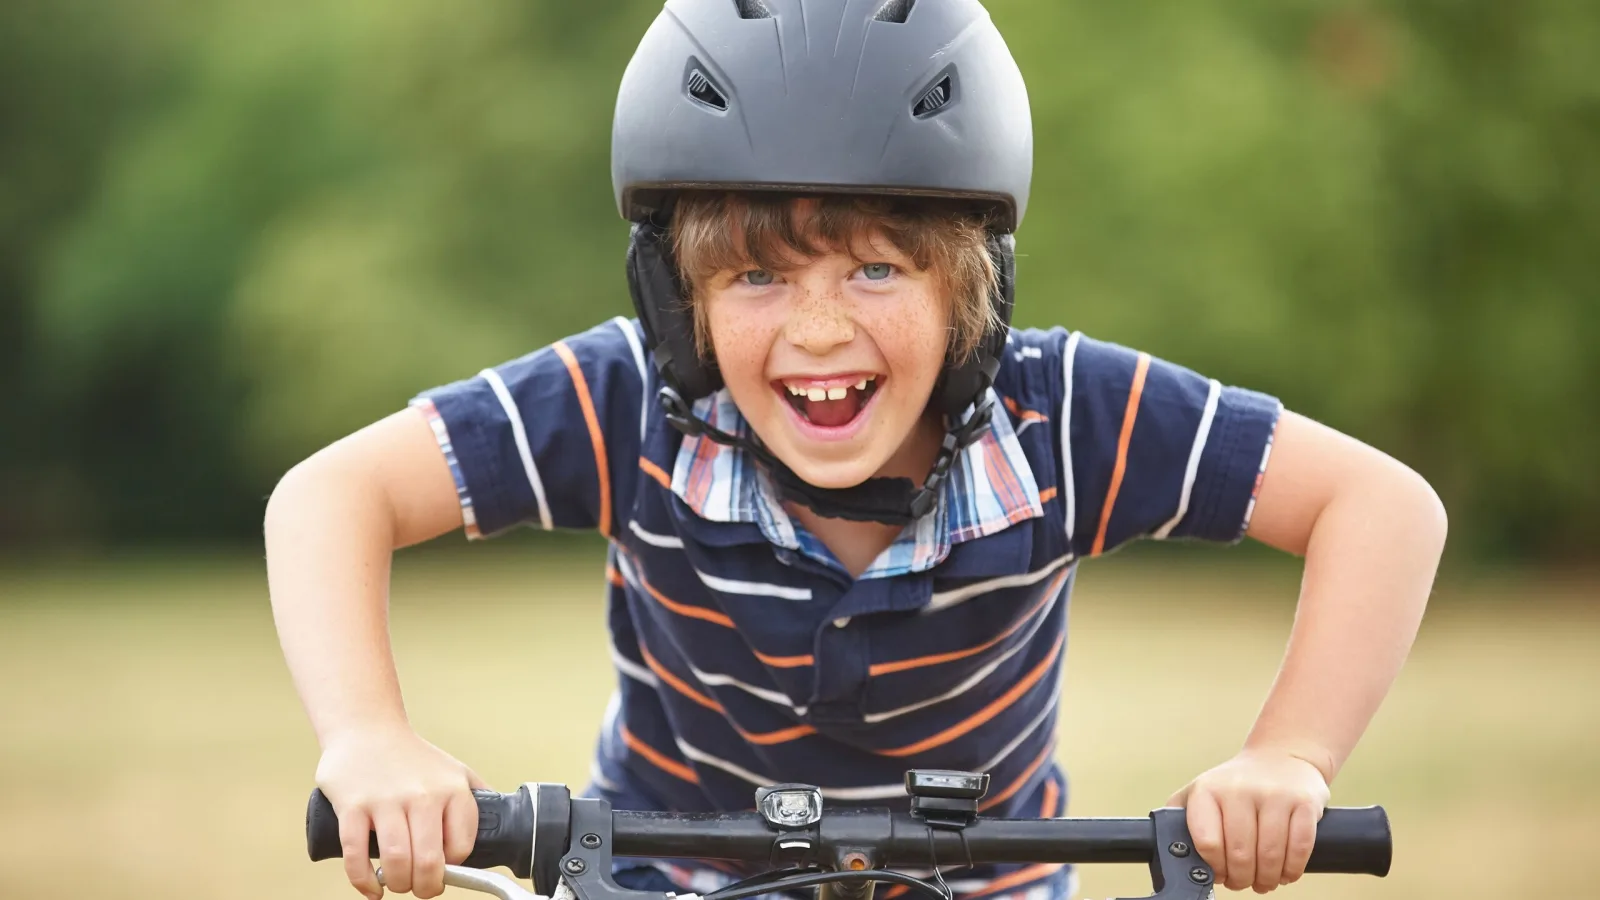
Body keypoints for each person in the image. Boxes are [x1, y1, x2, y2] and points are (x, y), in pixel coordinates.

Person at [265, 1, 1446, 898]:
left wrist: (1289, 757)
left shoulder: (1065, 418)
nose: (820, 330)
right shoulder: (627, 402)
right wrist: (369, 738)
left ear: (968, 290)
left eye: (877, 268)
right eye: (757, 275)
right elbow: (331, 495)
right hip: (671, 877)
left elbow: (1380, 507)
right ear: (678, 304)